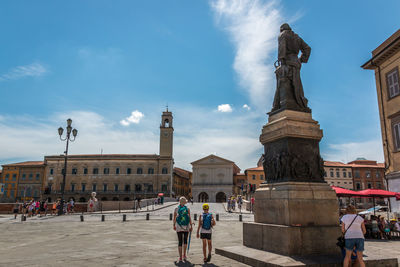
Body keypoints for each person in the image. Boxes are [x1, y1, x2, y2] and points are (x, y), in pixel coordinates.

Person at [173, 196, 192, 262]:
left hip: (179, 226)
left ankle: (180, 257)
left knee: (180, 241)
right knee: (185, 241)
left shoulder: (176, 208)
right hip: (186, 226)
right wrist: (191, 226)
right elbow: (189, 217)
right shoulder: (187, 208)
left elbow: (174, 218)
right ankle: (184, 255)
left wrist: (174, 225)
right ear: (185, 202)